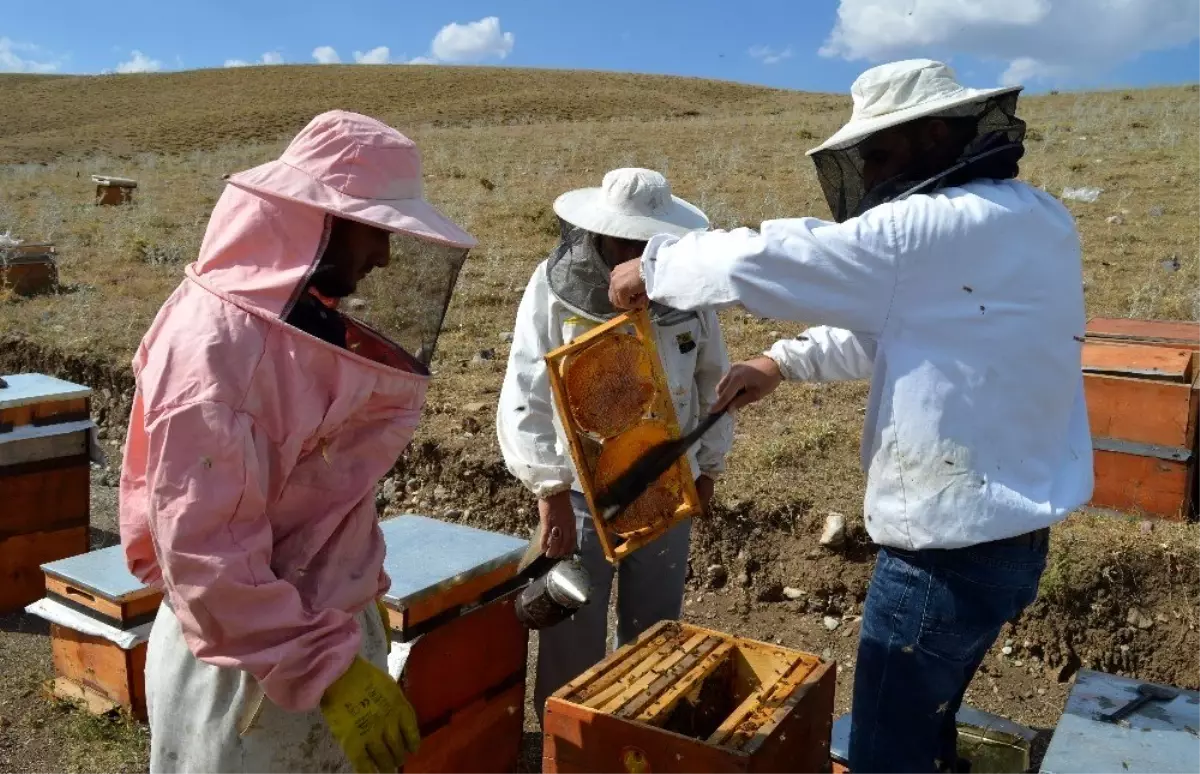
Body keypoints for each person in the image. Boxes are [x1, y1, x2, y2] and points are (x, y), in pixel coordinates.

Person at [607, 60, 1093, 774]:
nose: (868, 172)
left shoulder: (925, 228)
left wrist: (653, 268)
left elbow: (778, 256)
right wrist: (779, 364)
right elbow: (899, 324)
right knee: (933, 723)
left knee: (885, 753)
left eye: (877, 154)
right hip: (1015, 545)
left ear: (931, 135)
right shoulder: (1038, 218)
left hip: (940, 558)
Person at [119, 110, 477, 774]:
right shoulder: (214, 353)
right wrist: (322, 665)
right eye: (374, 230)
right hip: (246, 666)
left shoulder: (299, 321)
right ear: (317, 219)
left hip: (320, 636)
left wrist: (342, 639)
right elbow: (203, 555)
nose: (385, 256)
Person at [496, 168, 734, 719]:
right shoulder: (553, 286)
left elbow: (713, 380)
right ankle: (568, 741)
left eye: (648, 240)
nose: (635, 250)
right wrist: (549, 489)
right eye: (625, 238)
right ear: (598, 232)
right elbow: (526, 383)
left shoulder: (689, 289)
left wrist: (709, 469)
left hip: (666, 484)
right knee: (571, 632)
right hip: (582, 492)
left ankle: (640, 735)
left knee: (655, 631)